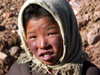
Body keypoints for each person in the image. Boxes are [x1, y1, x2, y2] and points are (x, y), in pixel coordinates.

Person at [8, 0, 100, 75]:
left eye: (50, 34)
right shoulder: (21, 70)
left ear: (68, 31)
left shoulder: (89, 72)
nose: (42, 45)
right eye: (33, 37)